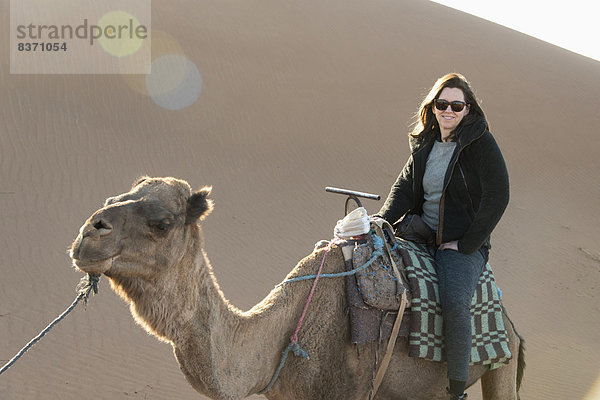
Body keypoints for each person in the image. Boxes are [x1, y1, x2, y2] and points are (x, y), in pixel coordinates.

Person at [374, 73, 509, 399]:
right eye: (442, 103)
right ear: (432, 108)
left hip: (461, 242)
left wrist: (466, 244)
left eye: (456, 105)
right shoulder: (425, 146)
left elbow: (498, 195)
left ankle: (457, 390)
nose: (449, 110)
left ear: (467, 109)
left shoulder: (479, 143)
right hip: (420, 233)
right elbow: (403, 191)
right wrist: (380, 220)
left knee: (454, 301)